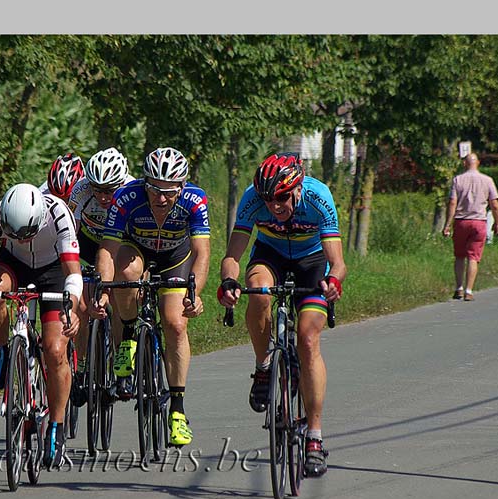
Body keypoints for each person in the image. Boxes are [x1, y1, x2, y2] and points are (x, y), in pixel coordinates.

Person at [217, 152, 346, 477]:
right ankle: (264, 367)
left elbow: (339, 262)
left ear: (298, 188)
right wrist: (228, 282)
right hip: (270, 254)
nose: (275, 206)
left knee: (307, 338)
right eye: (268, 200)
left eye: (282, 198)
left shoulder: (318, 197)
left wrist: (333, 282)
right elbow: (232, 255)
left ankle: (314, 437)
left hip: (312, 261)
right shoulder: (251, 198)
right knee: (258, 293)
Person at [90, 147, 210, 447]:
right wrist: (104, 287)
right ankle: (128, 334)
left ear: (181, 186)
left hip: (175, 257)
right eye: (154, 189)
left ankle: (178, 410)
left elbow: (201, 253)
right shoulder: (127, 197)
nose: (160, 198)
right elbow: (107, 249)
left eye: (168, 191)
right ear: (145, 183)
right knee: (126, 276)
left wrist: (195, 293)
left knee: (175, 324)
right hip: (136, 249)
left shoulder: (195, 200)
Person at [0, 183, 82, 469]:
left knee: (54, 350)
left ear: (40, 220)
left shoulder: (59, 214)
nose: (21, 238)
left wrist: (72, 309)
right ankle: (4, 350)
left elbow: (73, 272)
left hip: (53, 271)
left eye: (26, 233)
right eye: (13, 233)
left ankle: (57, 426)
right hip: (13, 264)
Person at [66, 147, 135, 407]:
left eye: (110, 190)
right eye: (99, 190)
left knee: (119, 298)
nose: (104, 197)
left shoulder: (132, 189)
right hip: (89, 243)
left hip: (122, 244)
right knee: (82, 307)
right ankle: (82, 367)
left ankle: (121, 361)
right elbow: (70, 232)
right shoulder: (81, 190)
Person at [442, 153, 498, 301]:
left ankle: (459, 288)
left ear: (464, 164)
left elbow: (452, 203)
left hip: (461, 221)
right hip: (479, 222)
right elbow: (494, 205)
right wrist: (497, 222)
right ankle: (469, 290)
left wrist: (448, 224)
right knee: (473, 257)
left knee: (460, 256)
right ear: (478, 163)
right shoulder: (488, 180)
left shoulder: (458, 180)